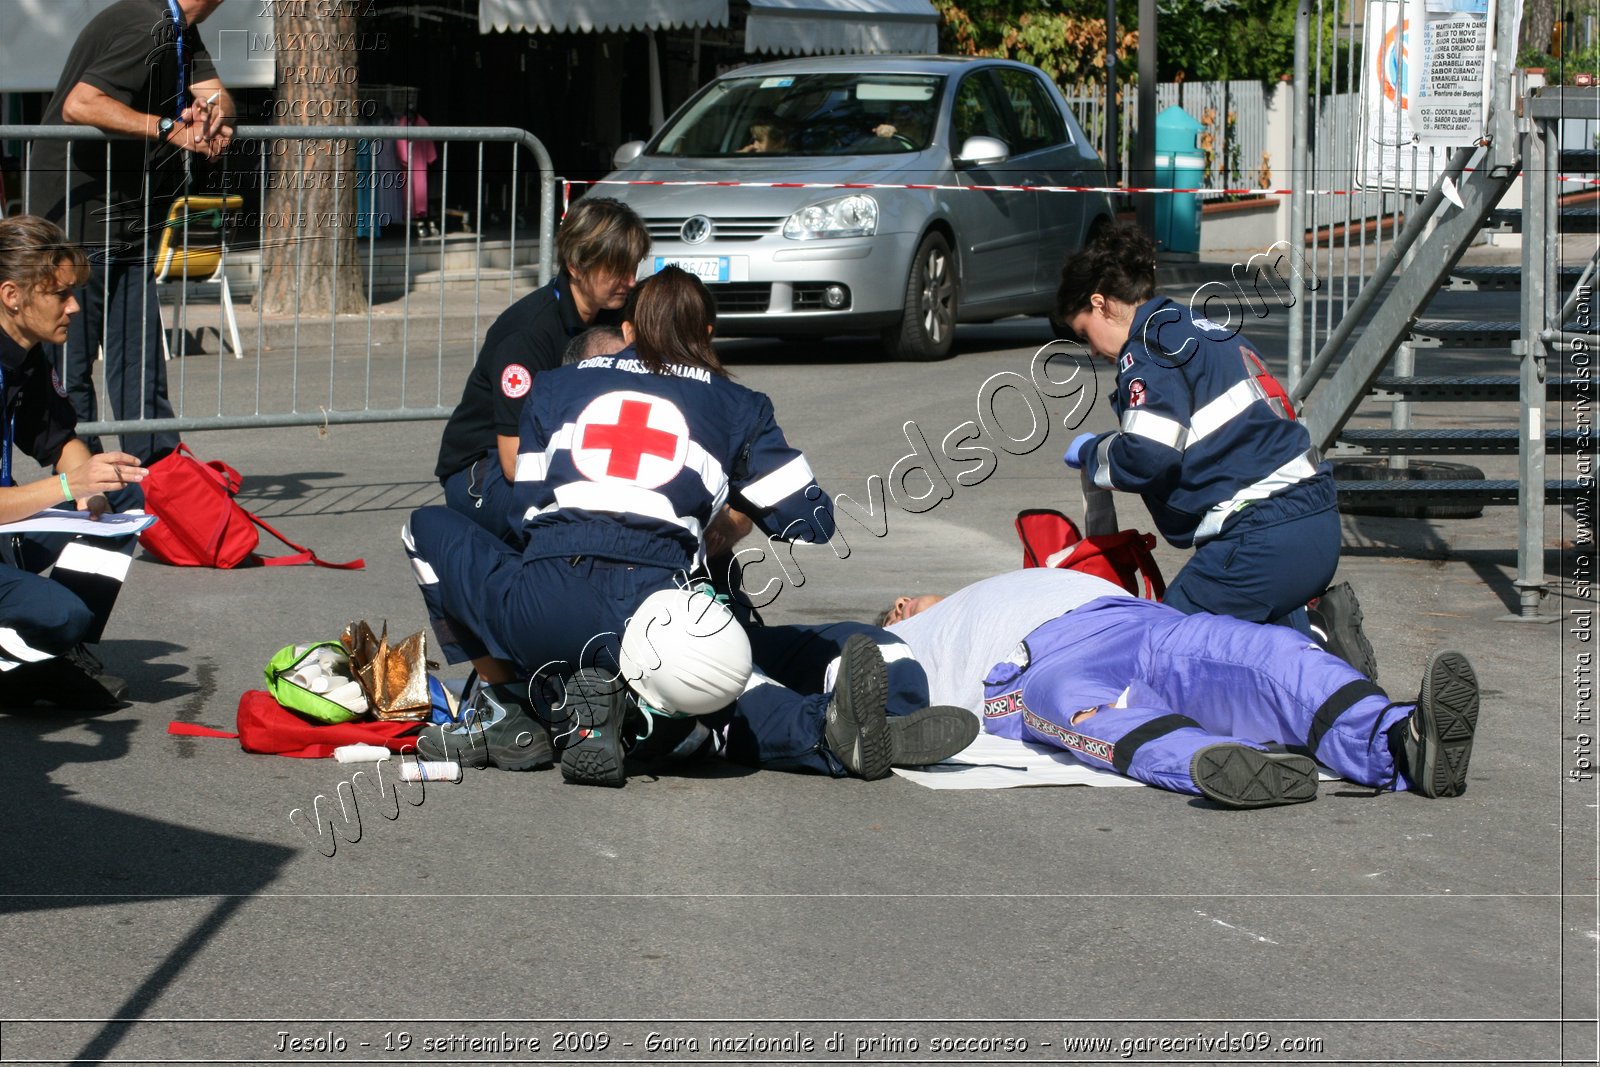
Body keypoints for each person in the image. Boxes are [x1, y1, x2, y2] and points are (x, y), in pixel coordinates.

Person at [406, 267, 972, 786]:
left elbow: (524, 510)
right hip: (656, 609)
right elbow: (812, 521)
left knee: (425, 528)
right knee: (718, 679)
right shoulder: (735, 402)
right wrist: (731, 507)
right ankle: (833, 728)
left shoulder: (553, 387)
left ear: (629, 329)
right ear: (707, 332)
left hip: (545, 606)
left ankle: (514, 704)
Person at [880, 569, 1480, 809]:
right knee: (1088, 714)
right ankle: (1222, 764)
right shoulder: (906, 643)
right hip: (1033, 665)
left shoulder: (1005, 578)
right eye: (892, 613)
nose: (901, 608)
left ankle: (1397, 739)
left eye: (900, 604)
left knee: (1262, 655)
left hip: (1132, 621)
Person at [1055, 221, 1340, 633]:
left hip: (1262, 535)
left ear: (1100, 303)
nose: (1095, 350)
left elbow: (1148, 455)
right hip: (1317, 520)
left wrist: (1092, 453)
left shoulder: (1148, 349)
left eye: (1085, 333)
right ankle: (1326, 649)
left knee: (1167, 646)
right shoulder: (1198, 326)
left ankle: (1319, 642)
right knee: (1275, 661)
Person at [32, 0, 234, 468]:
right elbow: (79, 104)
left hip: (127, 212)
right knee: (71, 361)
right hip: (78, 215)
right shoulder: (146, 23)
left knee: (140, 358)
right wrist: (168, 128)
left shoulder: (182, 30)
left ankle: (159, 479)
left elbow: (216, 95)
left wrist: (212, 119)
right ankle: (86, 485)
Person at [0, 216, 152, 710]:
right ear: (12, 296)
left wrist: (90, 484)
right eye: (61, 294)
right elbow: (62, 475)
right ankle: (29, 659)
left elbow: (59, 439)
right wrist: (69, 485)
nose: (74, 306)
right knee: (61, 613)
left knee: (119, 492)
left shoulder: (26, 355)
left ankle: (47, 654)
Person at [434, 197, 649, 542]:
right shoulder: (528, 334)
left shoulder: (615, 315)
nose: (631, 280)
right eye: (617, 269)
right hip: (482, 470)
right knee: (575, 521)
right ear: (576, 266)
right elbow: (513, 462)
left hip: (557, 454)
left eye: (633, 267)